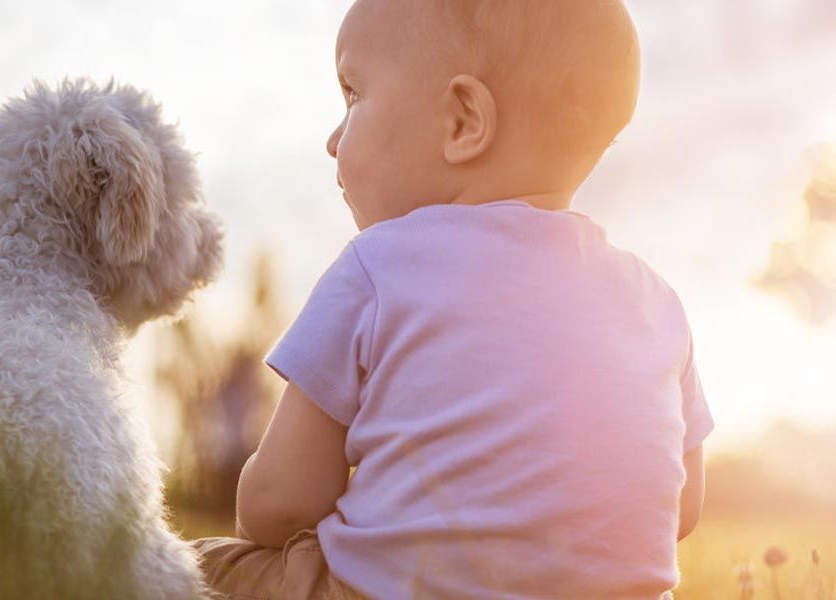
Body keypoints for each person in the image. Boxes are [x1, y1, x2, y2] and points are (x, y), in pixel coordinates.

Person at [189, 0, 714, 598]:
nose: (334, 141)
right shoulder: (657, 302)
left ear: (464, 121)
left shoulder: (379, 265)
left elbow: (279, 503)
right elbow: (683, 507)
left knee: (177, 567)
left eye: (353, 94)